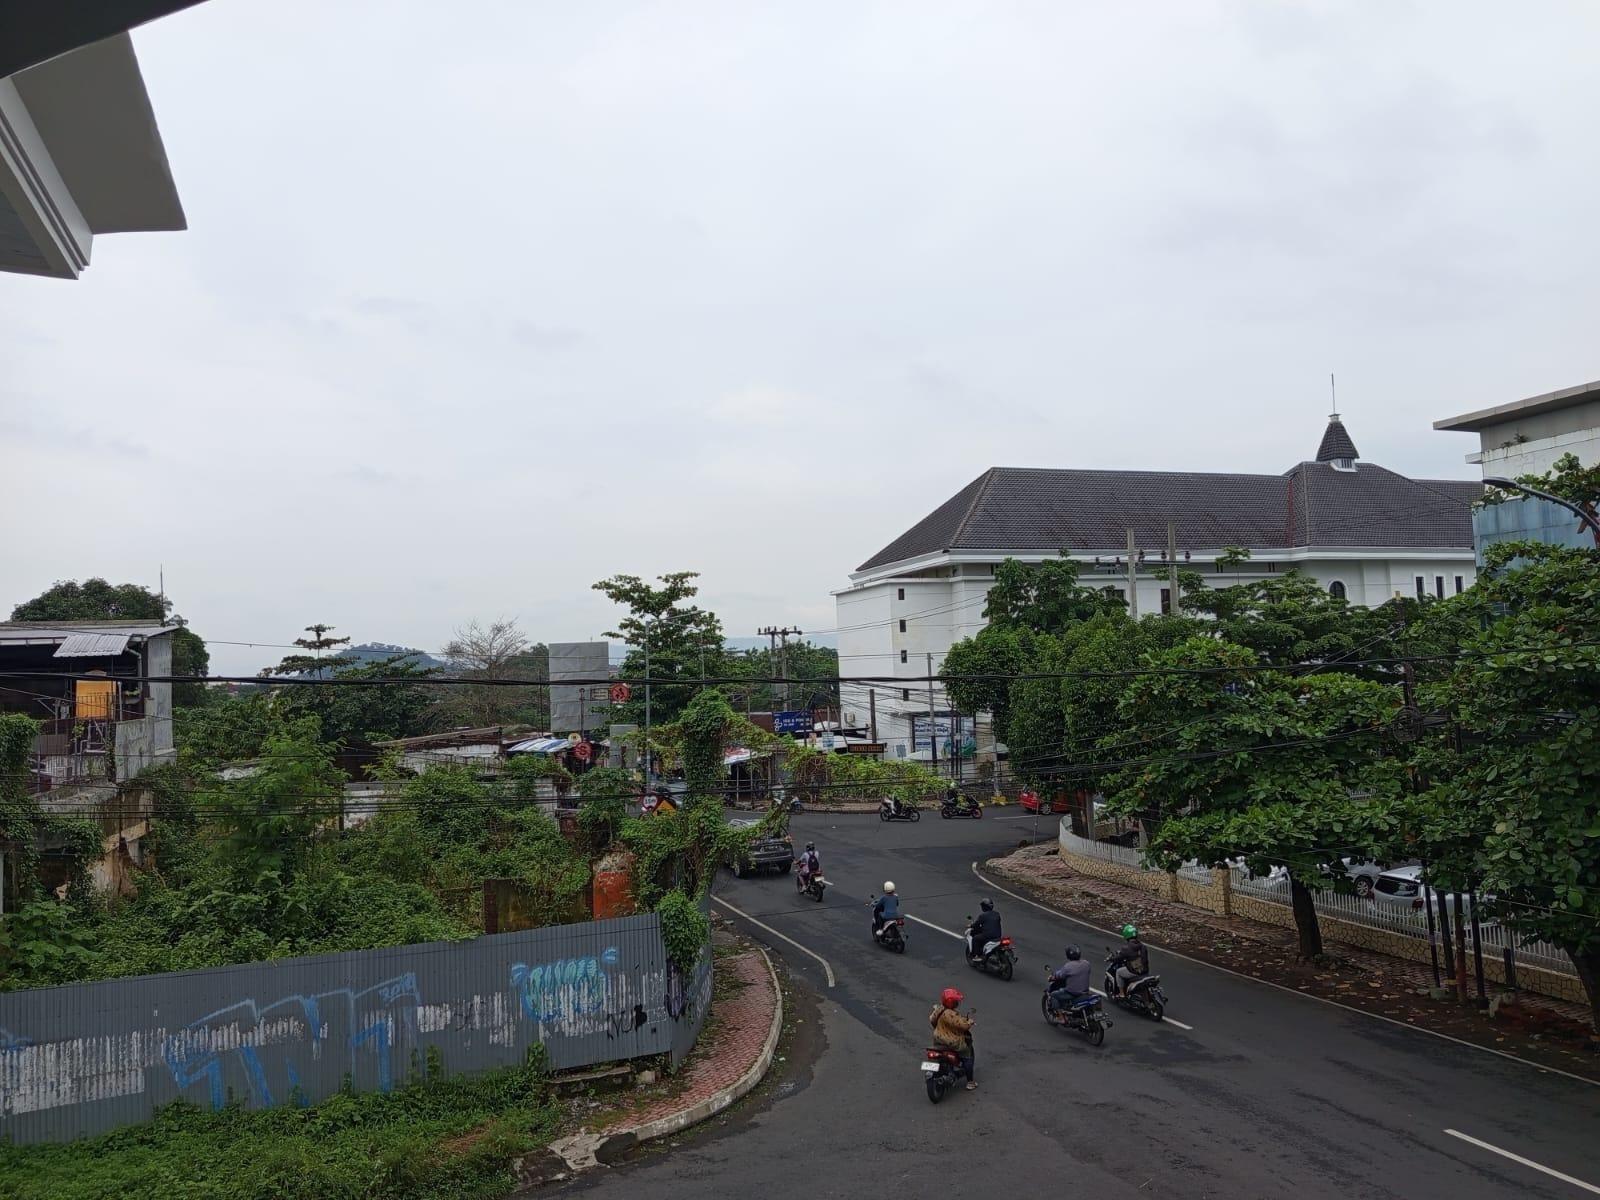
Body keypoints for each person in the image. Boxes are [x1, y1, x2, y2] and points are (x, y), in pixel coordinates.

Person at [928, 987, 976, 1090]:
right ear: (952, 1003)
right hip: (952, 1042)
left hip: (938, 1039)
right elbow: (962, 1026)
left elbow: (932, 1020)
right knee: (967, 1055)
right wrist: (969, 1023)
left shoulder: (939, 1009)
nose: (957, 1003)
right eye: (956, 1001)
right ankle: (970, 1082)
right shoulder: (951, 1015)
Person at [1046, 945, 1092, 1014]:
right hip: (1085, 992)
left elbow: (1059, 975)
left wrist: (1052, 977)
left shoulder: (1068, 966)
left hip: (1072, 994)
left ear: (1068, 955)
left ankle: (1061, 1018)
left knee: (1053, 995)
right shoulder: (1086, 963)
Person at [1109, 924, 1150, 996]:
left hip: (1135, 971)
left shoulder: (1126, 948)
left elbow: (1119, 958)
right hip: (1145, 971)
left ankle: (1121, 994)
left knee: (1118, 972)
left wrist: (1112, 959)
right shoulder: (1142, 946)